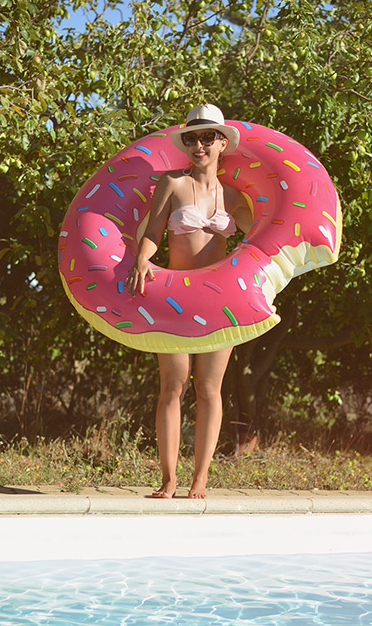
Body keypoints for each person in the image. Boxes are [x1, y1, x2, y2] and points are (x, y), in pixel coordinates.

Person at [125, 104, 251, 499]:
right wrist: (143, 258)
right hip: (176, 296)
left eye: (207, 137)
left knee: (209, 389)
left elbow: (260, 240)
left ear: (221, 143)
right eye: (192, 138)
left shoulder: (233, 196)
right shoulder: (173, 184)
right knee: (172, 386)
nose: (199, 144)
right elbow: (154, 231)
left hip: (219, 299)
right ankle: (168, 478)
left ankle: (200, 477)